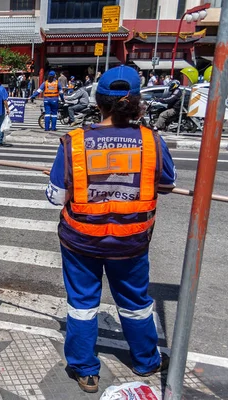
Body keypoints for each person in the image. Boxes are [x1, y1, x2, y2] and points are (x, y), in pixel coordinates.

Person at [45, 65, 175, 394]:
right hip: (130, 244)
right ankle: (146, 360)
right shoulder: (151, 141)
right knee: (135, 302)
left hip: (81, 242)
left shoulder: (74, 142)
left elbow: (56, 196)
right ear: (136, 104)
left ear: (98, 102)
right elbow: (167, 183)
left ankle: (86, 370)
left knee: (82, 304)